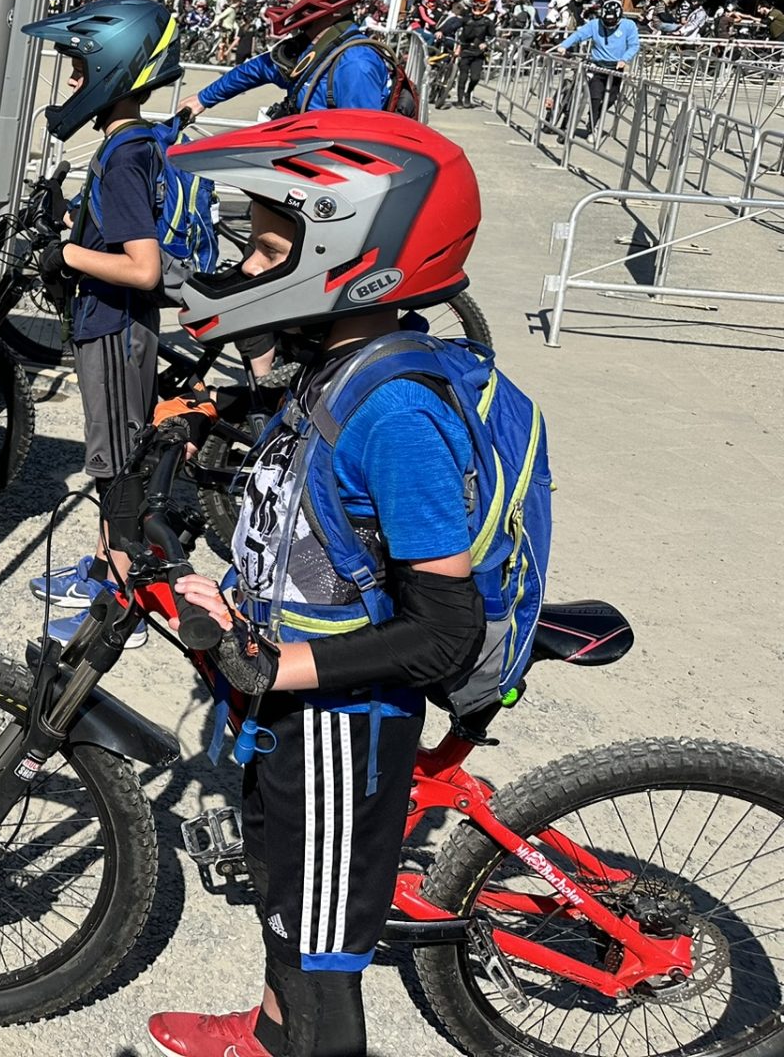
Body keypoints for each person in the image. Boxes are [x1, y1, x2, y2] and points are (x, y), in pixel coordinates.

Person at [146, 112, 488, 1057]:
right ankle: (267, 1029)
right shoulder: (343, 361)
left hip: (343, 725)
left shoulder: (399, 417)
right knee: (286, 896)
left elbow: (444, 629)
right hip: (296, 709)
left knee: (323, 951)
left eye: (266, 247)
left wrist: (275, 667)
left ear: (350, 251)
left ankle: (300, 1032)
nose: (249, 268)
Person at [20, 0, 178, 631]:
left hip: (115, 331)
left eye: (80, 71)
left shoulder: (123, 157)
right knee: (112, 455)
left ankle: (121, 605)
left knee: (117, 466)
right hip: (111, 326)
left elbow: (143, 267)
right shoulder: (129, 143)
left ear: (115, 71)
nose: (71, 85)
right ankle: (99, 567)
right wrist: (70, 220)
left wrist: (69, 252)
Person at [175, 0, 394, 122]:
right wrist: (203, 98)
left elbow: (361, 151)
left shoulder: (355, 64)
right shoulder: (308, 47)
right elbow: (256, 69)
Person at [556, 0, 639, 135]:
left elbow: (634, 45)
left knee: (610, 99)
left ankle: (597, 116)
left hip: (616, 68)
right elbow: (579, 35)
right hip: (597, 66)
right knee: (595, 97)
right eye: (607, 19)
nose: (609, 22)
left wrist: (624, 59)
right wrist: (564, 46)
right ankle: (592, 125)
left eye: (613, 20)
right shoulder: (595, 24)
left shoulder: (629, 25)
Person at [452, 0, 498, 108]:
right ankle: (459, 100)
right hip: (465, 50)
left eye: (480, 6)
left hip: (478, 54)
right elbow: (453, 27)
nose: (477, 8)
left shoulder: (487, 22)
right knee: (462, 77)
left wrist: (486, 44)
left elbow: (493, 37)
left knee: (475, 78)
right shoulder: (466, 19)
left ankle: (468, 94)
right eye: (476, 6)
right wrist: (442, 31)